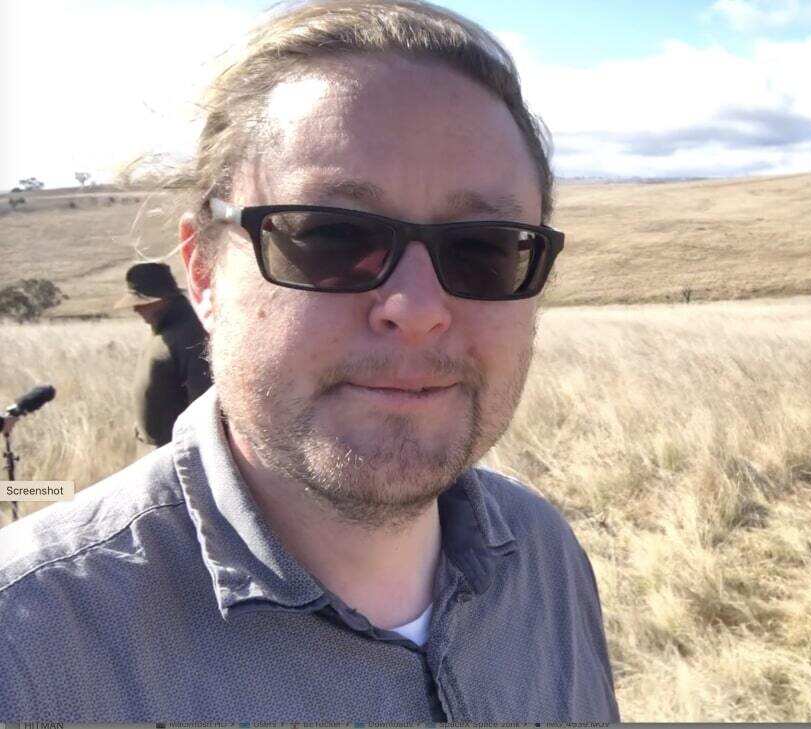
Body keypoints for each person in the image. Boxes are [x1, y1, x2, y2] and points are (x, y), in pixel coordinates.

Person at [0, 0, 618, 723]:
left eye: (485, 248)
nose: (417, 307)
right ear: (202, 272)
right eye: (329, 236)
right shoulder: (27, 652)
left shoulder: (546, 557)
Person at [115, 262, 214, 446]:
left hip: (182, 449)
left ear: (163, 299)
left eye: (142, 303)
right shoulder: (164, 330)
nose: (135, 309)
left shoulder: (189, 335)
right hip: (165, 448)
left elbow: (203, 401)